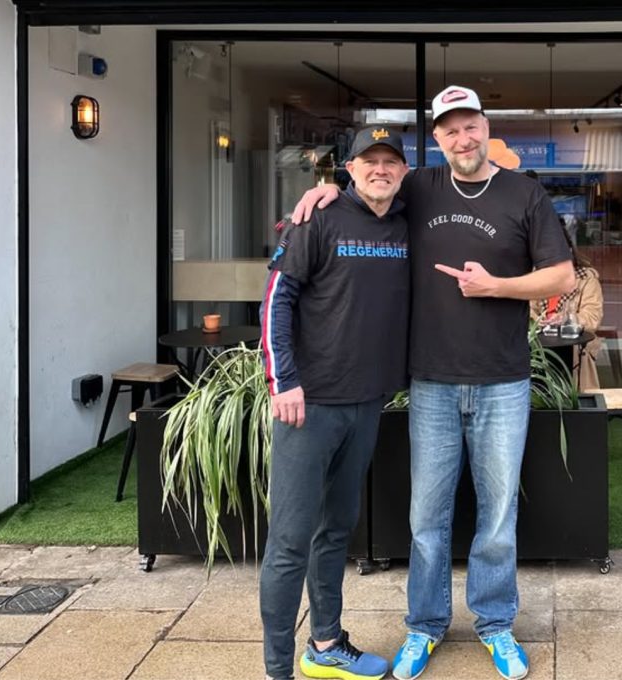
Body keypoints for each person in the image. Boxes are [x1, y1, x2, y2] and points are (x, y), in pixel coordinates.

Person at [291, 85, 574, 680]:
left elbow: (562, 277)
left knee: (497, 516)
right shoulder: (418, 186)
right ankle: (424, 627)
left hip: (502, 381)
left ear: (486, 127)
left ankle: (495, 626)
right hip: (432, 384)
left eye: (469, 126)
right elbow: (369, 187)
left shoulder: (524, 193)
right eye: (449, 130)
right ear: (437, 139)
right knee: (427, 517)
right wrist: (325, 191)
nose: (461, 139)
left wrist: (494, 286)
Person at [259, 126, 411, 680]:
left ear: (403, 172)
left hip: (366, 403)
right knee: (290, 540)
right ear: (347, 169)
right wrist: (284, 381)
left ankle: (325, 645)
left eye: (390, 161)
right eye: (368, 161)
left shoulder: (404, 220)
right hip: (308, 405)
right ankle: (277, 669)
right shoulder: (315, 218)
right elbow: (276, 299)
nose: (379, 169)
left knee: (336, 529)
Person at [531, 227, 604, 391]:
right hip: (541, 345)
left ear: (569, 252)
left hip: (573, 345)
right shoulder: (537, 277)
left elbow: (592, 318)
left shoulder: (587, 279)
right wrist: (538, 320)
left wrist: (566, 318)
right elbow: (527, 308)